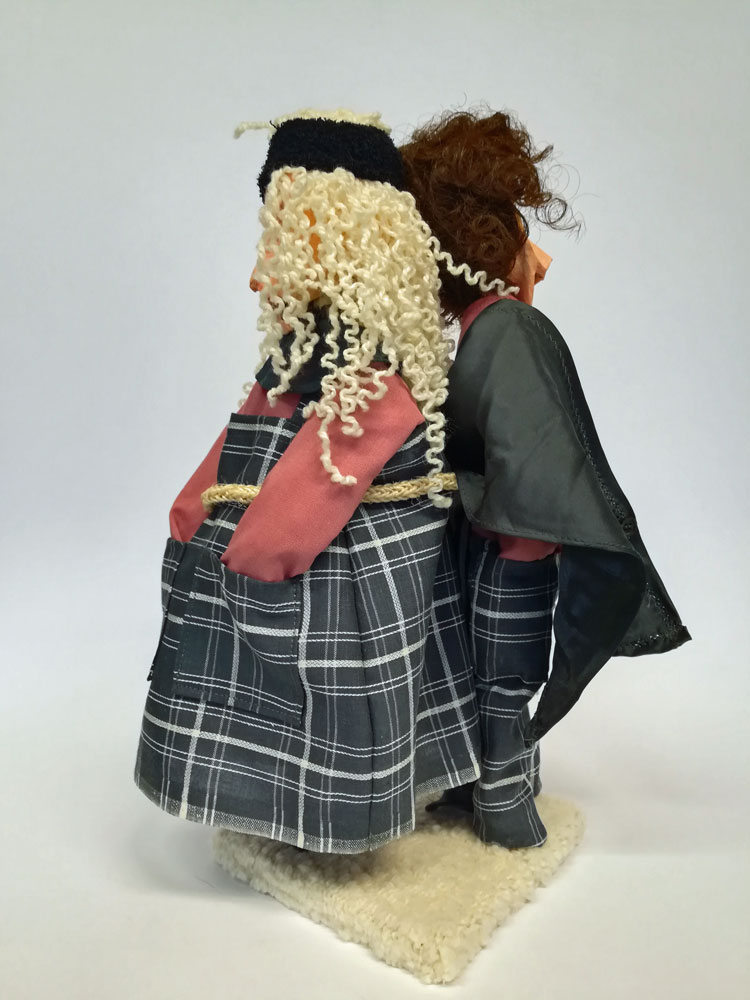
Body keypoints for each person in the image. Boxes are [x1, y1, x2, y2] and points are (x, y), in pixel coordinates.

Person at [134, 107, 689, 853]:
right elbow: (254, 434)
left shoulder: (429, 355)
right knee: (449, 684)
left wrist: (257, 555)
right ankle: (470, 788)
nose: (263, 273)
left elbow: (343, 469)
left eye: (286, 241)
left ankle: (491, 796)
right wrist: (202, 518)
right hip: (406, 552)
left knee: (463, 683)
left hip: (428, 557)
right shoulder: (343, 352)